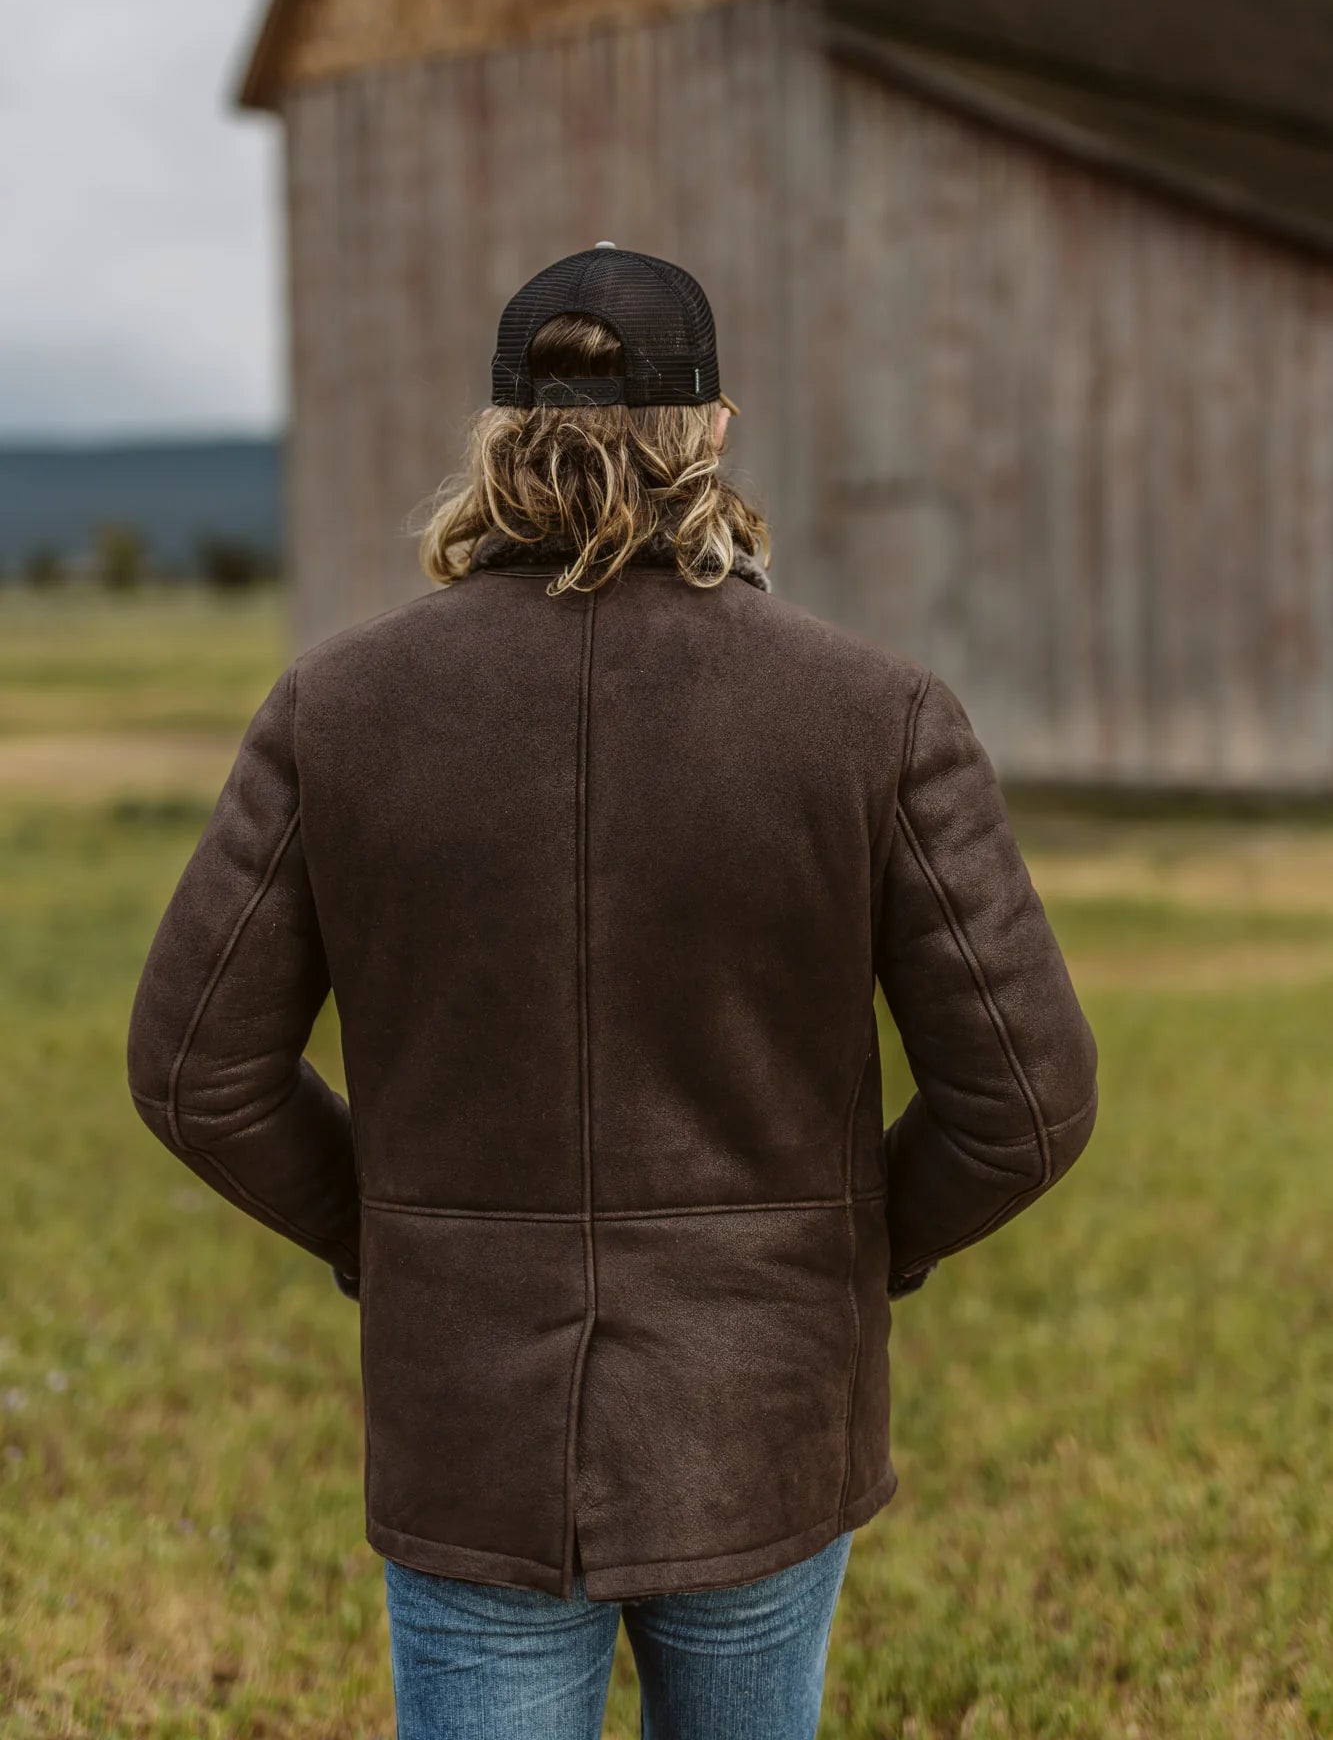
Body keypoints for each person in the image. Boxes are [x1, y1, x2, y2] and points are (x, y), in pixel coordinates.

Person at [127, 243, 1099, 1739]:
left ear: (497, 434)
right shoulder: (876, 715)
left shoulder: (337, 708)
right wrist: (836, 1258)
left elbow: (198, 1072)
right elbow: (1027, 1104)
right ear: (711, 429)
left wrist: (395, 1241)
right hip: (763, 1414)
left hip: (472, 1430)